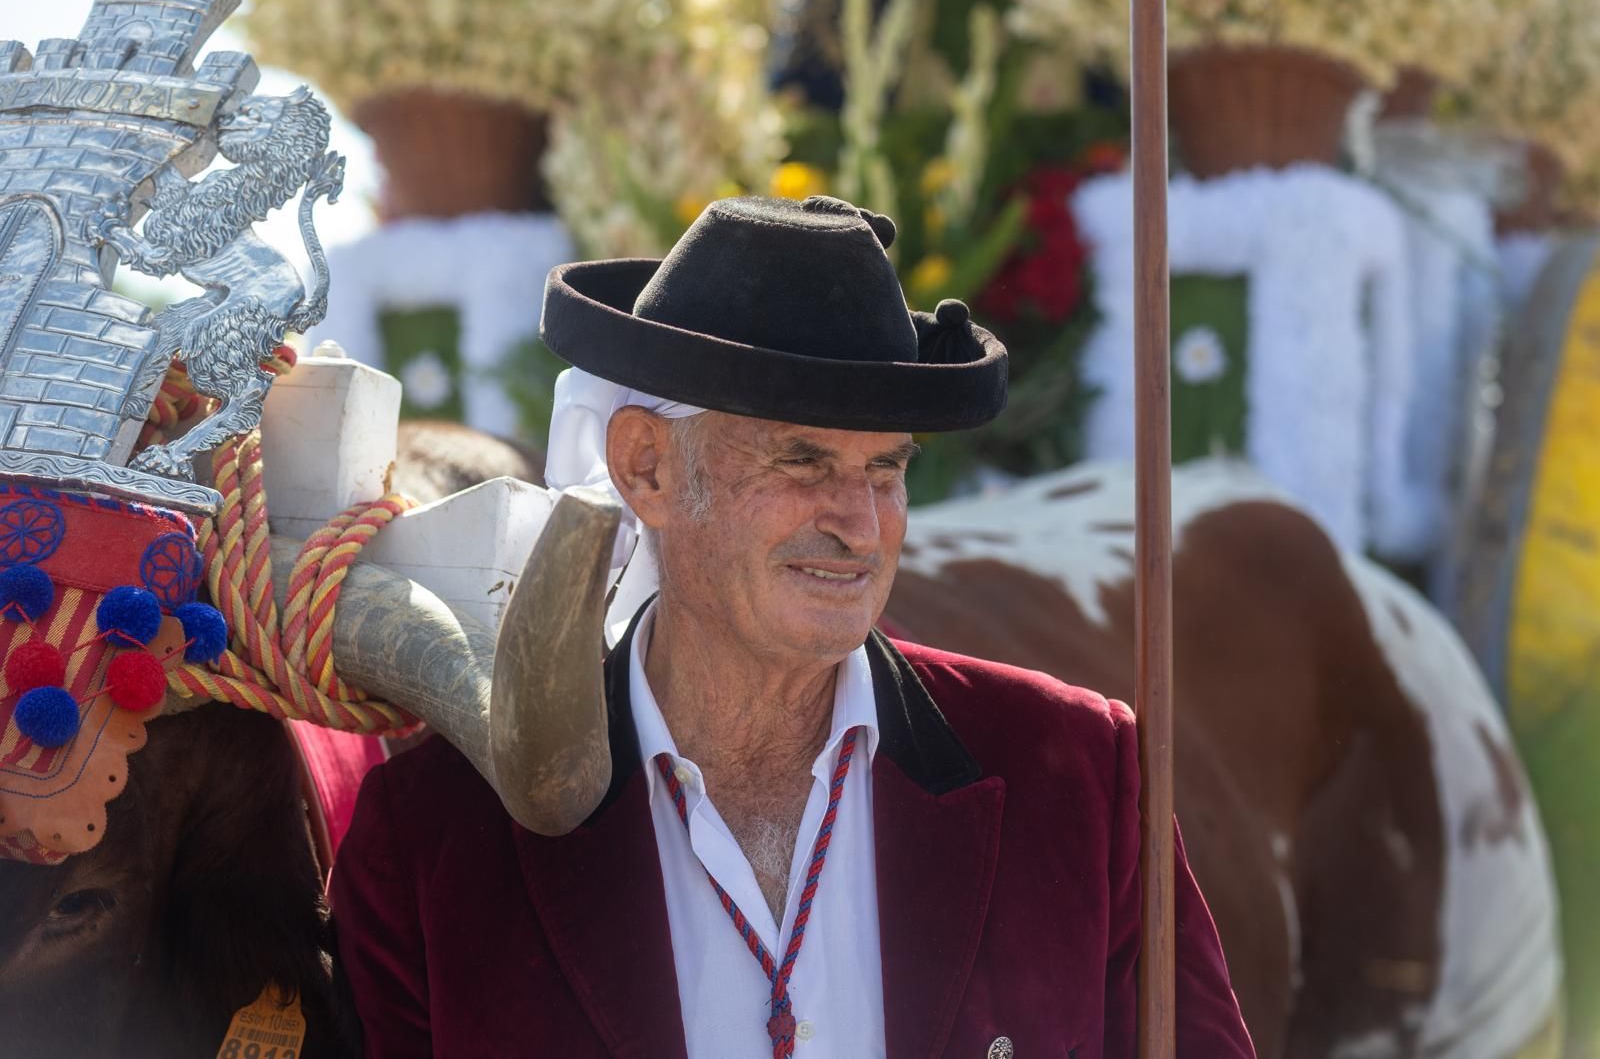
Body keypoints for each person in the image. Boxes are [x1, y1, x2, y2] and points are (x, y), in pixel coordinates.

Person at [329, 195, 1255, 1058]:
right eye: (803, 461)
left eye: (887, 469)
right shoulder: (433, 845)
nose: (861, 524)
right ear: (646, 469)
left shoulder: (1081, 781)